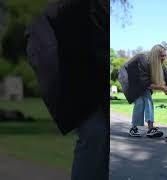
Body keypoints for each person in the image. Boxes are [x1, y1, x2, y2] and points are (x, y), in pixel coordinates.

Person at [26, 0, 108, 180]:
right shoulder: (83, 8)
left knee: (99, 133)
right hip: (60, 56)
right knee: (95, 132)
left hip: (81, 58)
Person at [119, 44, 167, 138]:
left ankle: (150, 129)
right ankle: (135, 128)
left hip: (141, 81)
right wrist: (163, 88)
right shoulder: (143, 60)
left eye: (165, 55)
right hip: (128, 78)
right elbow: (145, 83)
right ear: (155, 56)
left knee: (147, 99)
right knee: (140, 102)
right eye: (162, 56)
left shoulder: (160, 66)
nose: (164, 58)